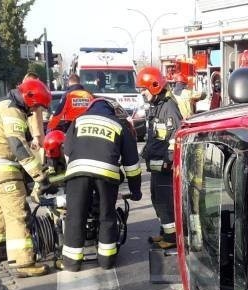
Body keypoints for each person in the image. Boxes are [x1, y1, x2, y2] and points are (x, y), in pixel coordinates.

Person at [0, 78, 55, 278]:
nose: (36, 110)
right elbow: (18, 147)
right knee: (18, 215)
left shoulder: (0, 104)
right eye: (37, 105)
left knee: (0, 211)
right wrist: (40, 175)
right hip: (4, 171)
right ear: (29, 98)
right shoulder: (13, 112)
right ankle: (25, 263)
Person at [60, 97, 142, 271]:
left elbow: (66, 151)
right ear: (111, 110)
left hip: (78, 172)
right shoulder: (119, 125)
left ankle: (71, 263)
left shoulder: (78, 121)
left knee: (75, 215)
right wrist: (135, 191)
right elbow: (132, 164)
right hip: (107, 175)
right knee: (107, 215)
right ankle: (106, 261)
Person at [137, 66, 182, 249]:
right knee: (157, 199)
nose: (142, 94)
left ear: (154, 86)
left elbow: (176, 135)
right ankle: (165, 232)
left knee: (165, 202)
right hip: (156, 166)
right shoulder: (157, 106)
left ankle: (171, 239)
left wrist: (169, 160)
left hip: (165, 167)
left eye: (144, 90)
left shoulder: (169, 107)